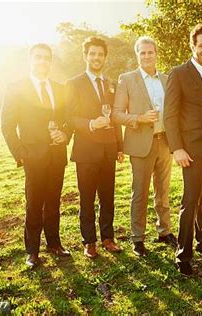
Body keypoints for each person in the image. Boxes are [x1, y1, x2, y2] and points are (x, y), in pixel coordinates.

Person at [1, 43, 70, 267]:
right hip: (32, 157)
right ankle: (32, 251)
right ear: (31, 60)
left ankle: (54, 244)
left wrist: (65, 134)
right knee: (34, 203)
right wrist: (21, 155)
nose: (42, 62)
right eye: (38, 58)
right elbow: (7, 126)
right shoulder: (16, 87)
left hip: (57, 155)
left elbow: (69, 120)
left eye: (46, 58)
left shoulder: (60, 88)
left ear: (51, 62)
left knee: (53, 202)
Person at [164, 24, 202, 275]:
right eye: (201, 45)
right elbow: (170, 115)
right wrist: (177, 148)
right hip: (191, 150)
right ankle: (183, 255)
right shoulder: (178, 73)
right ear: (192, 46)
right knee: (190, 200)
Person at [113, 36, 177, 257]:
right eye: (143, 53)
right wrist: (139, 118)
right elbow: (116, 114)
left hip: (164, 142)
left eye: (150, 52)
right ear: (137, 55)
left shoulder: (167, 79)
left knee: (163, 191)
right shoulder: (126, 79)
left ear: (156, 54)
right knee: (139, 193)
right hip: (140, 144)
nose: (147, 56)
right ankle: (138, 238)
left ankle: (164, 230)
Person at [66, 36, 124, 259]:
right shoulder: (74, 83)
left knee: (108, 196)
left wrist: (119, 146)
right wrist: (90, 123)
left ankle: (108, 238)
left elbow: (116, 117)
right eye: (92, 54)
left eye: (100, 54)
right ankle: (89, 242)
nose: (96, 57)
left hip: (109, 150)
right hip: (86, 151)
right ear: (85, 56)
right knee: (87, 198)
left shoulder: (111, 84)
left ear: (105, 57)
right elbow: (68, 117)